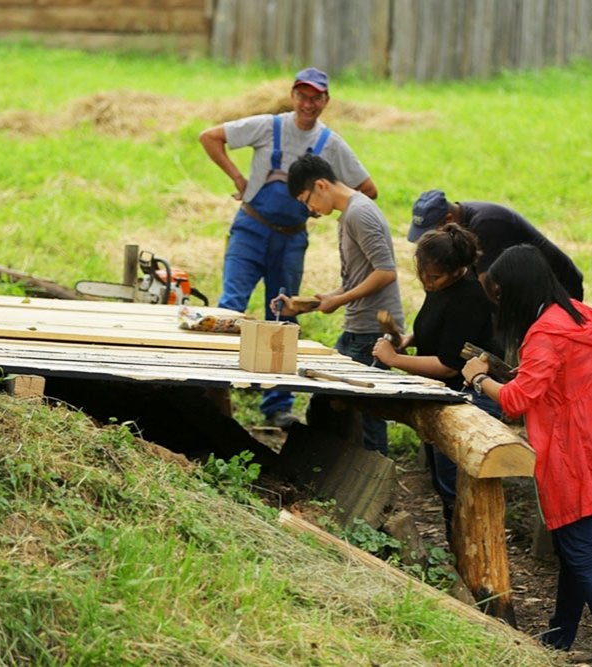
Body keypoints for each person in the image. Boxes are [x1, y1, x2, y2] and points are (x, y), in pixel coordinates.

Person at [461, 244, 592, 661]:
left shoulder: (544, 334)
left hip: (573, 453)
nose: (499, 302)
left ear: (517, 289)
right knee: (575, 547)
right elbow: (552, 380)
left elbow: (517, 400)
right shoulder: (576, 314)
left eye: (501, 293)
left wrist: (479, 377)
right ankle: (560, 637)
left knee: (582, 553)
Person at [199, 67, 377, 429]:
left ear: (326, 101)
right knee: (230, 307)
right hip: (250, 229)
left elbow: (367, 189)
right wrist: (238, 178)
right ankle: (212, 392)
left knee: (283, 314)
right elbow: (209, 136)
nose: (308, 103)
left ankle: (277, 405)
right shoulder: (268, 126)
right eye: (303, 95)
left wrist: (322, 208)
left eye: (316, 97)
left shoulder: (332, 144)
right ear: (293, 95)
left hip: (292, 238)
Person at [370, 223, 502, 542]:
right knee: (443, 485)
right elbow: (438, 330)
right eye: (423, 275)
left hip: (466, 399)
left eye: (435, 277)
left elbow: (448, 366)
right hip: (443, 396)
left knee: (455, 488)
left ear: (458, 270)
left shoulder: (469, 298)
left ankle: (471, 558)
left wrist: (395, 360)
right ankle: (457, 551)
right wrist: (410, 340)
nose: (427, 283)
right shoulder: (442, 289)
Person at [274, 153, 403, 454]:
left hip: (373, 330)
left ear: (321, 185)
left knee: (368, 412)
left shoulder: (359, 213)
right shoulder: (348, 214)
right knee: (325, 405)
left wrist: (340, 300)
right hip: (357, 328)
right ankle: (336, 471)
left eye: (307, 200)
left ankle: (374, 480)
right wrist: (308, 304)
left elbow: (386, 272)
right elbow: (359, 276)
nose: (310, 210)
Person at [408, 190, 584, 301]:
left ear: (448, 220)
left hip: (558, 289)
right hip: (526, 290)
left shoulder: (486, 224)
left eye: (431, 232)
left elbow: (487, 287)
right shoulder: (461, 220)